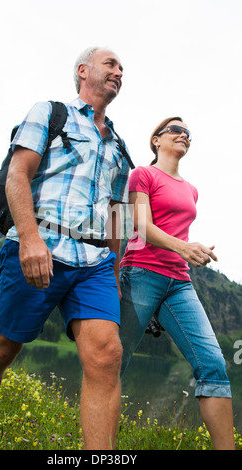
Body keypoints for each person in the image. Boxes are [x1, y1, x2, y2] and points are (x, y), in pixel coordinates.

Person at [0, 47, 130, 450]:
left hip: (94, 262)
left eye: (123, 69)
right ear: (83, 71)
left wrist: (114, 266)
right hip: (41, 244)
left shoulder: (120, 147)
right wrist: (31, 239)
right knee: (2, 350)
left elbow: (117, 212)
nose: (119, 72)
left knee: (107, 356)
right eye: (111, 64)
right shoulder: (51, 113)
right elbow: (18, 175)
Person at [119, 117, 236, 450]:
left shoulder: (191, 189)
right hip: (140, 272)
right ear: (156, 140)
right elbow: (141, 224)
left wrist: (186, 250)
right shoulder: (143, 174)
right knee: (114, 360)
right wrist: (185, 248)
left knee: (213, 364)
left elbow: (174, 229)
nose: (184, 135)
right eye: (176, 130)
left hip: (179, 283)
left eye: (188, 133)